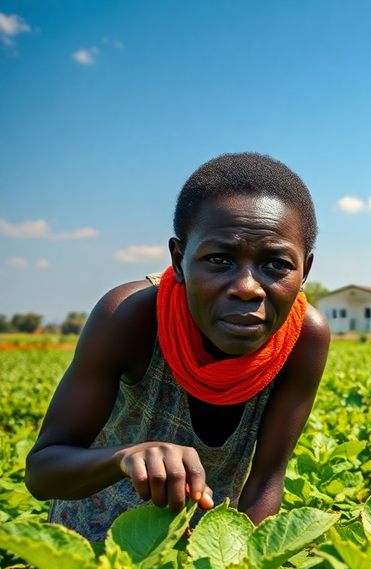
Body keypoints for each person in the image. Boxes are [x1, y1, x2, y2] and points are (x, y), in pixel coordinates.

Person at [25, 153, 331, 546]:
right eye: (219, 259)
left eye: (275, 264)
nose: (248, 287)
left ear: (304, 271)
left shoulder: (304, 338)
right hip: (100, 551)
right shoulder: (130, 317)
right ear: (179, 260)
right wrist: (127, 456)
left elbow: (267, 478)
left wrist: (227, 568)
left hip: (211, 549)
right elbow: (42, 471)